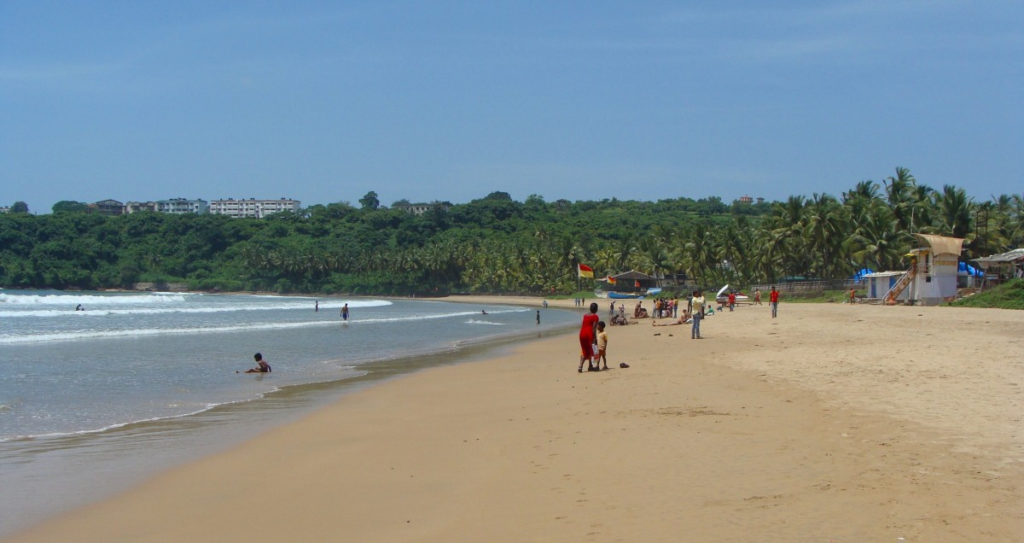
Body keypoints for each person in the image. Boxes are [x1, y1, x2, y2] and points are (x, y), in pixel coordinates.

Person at [578, 302, 600, 373]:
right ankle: (585, 365)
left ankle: (587, 366)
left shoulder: (585, 315)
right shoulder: (595, 317)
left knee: (585, 350)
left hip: (582, 334)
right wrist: (594, 338)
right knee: (592, 350)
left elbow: (584, 325)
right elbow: (593, 328)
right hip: (589, 334)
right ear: (596, 309)